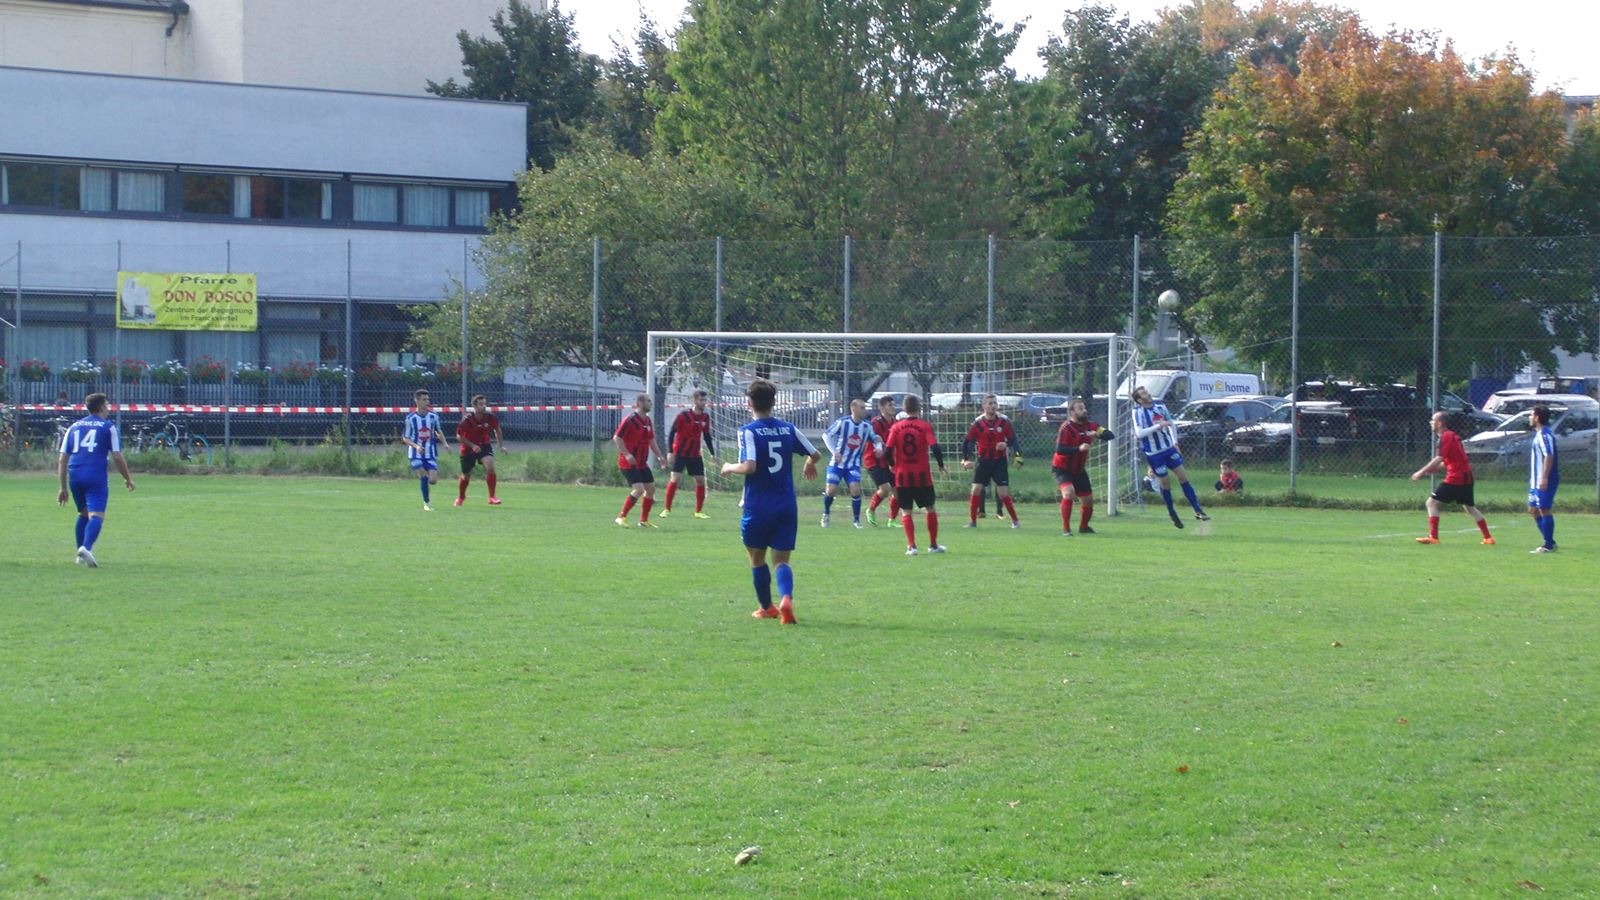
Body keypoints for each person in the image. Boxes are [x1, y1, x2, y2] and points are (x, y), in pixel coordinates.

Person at [720, 378, 820, 624]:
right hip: (786, 505)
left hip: (757, 505)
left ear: (749, 403)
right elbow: (815, 453)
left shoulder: (748, 431)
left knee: (757, 558)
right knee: (781, 561)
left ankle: (767, 607)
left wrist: (729, 466)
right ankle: (786, 598)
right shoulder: (788, 428)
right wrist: (809, 463)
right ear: (774, 402)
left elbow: (749, 466)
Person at [56, 392, 135, 567]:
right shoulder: (108, 427)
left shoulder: (74, 427)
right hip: (95, 476)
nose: (108, 408)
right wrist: (127, 478)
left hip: (75, 475)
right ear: (101, 407)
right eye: (107, 405)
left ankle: (80, 555)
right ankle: (86, 548)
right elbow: (117, 456)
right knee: (97, 515)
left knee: (83, 513)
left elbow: (62, 459)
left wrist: (62, 487)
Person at [1130, 385, 1210, 528]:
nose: (1148, 394)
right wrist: (1158, 426)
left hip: (1169, 449)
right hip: (1154, 454)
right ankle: (1172, 513)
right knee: (1165, 483)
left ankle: (1198, 510)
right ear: (1139, 400)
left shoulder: (1160, 406)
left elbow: (1171, 424)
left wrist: (1175, 442)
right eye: (1144, 394)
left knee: (1183, 477)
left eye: (1147, 391)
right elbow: (1139, 433)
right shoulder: (1137, 412)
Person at [1410, 411, 1494, 545]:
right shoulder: (1453, 436)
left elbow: (1439, 458)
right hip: (1466, 476)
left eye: (1433, 420)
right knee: (1469, 508)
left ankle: (1433, 537)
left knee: (1431, 503)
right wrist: (1431, 470)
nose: (1431, 423)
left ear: (1439, 423)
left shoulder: (1446, 436)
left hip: (1456, 477)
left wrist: (1421, 471)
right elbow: (1450, 462)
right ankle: (1488, 538)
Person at [885, 394, 947, 555]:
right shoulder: (924, 426)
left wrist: (892, 465)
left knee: (906, 511)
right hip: (922, 476)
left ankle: (912, 546)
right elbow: (935, 447)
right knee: (930, 508)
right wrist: (941, 465)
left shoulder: (896, 427)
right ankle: (933, 545)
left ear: (904, 409)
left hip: (902, 476)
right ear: (919, 408)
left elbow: (888, 451)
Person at [1052, 397, 1114, 536]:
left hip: (1078, 470)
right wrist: (1078, 449)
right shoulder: (1066, 428)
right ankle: (1066, 529)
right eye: (1080, 408)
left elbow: (1110, 435)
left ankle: (1084, 527)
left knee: (1088, 501)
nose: (1084, 410)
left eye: (1084, 408)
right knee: (1069, 493)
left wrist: (1097, 435)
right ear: (1072, 412)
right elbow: (1060, 449)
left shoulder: (1091, 425)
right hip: (1062, 468)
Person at [960, 394, 1024, 528]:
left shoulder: (1003, 422)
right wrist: (966, 459)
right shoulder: (978, 424)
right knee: (976, 489)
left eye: (995, 403)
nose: (993, 406)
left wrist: (1015, 454)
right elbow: (967, 442)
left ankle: (1015, 521)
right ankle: (972, 521)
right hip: (983, 461)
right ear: (984, 406)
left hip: (999, 462)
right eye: (990, 403)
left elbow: (1013, 440)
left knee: (1003, 493)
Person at [822, 398, 884, 528]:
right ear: (853, 409)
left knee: (855, 490)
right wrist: (834, 452)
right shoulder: (843, 422)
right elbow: (826, 435)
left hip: (853, 464)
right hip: (837, 463)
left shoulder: (867, 426)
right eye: (862, 408)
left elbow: (876, 438)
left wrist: (878, 448)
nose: (865, 410)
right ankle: (826, 513)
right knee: (831, 491)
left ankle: (856, 520)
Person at [613, 393, 668, 528]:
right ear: (640, 404)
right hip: (628, 463)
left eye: (650, 401)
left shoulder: (648, 421)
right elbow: (617, 438)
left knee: (651, 489)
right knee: (638, 489)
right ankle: (621, 517)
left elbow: (651, 440)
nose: (650, 403)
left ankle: (643, 521)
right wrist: (627, 454)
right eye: (648, 401)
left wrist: (660, 456)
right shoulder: (630, 420)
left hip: (642, 463)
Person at [661, 389, 717, 519]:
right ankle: (666, 509)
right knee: (675, 479)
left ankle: (698, 511)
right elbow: (672, 433)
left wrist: (712, 453)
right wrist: (670, 452)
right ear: (695, 401)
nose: (704, 403)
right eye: (701, 400)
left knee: (700, 480)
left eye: (705, 400)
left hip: (695, 454)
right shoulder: (683, 416)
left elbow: (707, 436)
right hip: (680, 453)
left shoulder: (705, 417)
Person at [402, 388, 449, 511]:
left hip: (430, 453)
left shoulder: (433, 416)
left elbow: (438, 431)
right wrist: (416, 446)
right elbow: (405, 438)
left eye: (428, 399)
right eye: (424, 400)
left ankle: (425, 486)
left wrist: (445, 443)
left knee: (433, 480)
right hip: (415, 454)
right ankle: (426, 503)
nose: (427, 402)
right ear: (417, 401)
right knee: (423, 475)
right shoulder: (411, 418)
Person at [454, 394, 503, 507]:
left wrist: (501, 445)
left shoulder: (490, 418)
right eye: (481, 404)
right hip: (468, 449)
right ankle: (461, 496)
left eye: (484, 404)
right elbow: (459, 436)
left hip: (484, 446)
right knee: (466, 475)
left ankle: (492, 497)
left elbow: (497, 429)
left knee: (490, 467)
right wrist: (472, 445)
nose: (484, 406)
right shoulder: (467, 420)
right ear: (474, 406)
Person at [1526, 404, 1559, 553]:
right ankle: (1550, 541)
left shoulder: (1545, 435)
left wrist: (1544, 477)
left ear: (1537, 418)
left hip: (1544, 479)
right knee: (1533, 510)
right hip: (1535, 481)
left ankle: (1548, 545)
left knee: (1544, 509)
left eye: (1531, 415)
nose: (1530, 417)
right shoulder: (1539, 434)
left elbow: (1549, 456)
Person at [863, 395, 900, 526]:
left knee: (899, 492)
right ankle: (871, 510)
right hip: (874, 461)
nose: (893, 407)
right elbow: (875, 438)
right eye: (890, 405)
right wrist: (878, 448)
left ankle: (892, 520)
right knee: (885, 489)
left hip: (889, 461)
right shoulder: (876, 423)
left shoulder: (896, 423)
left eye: (893, 405)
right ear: (881, 408)